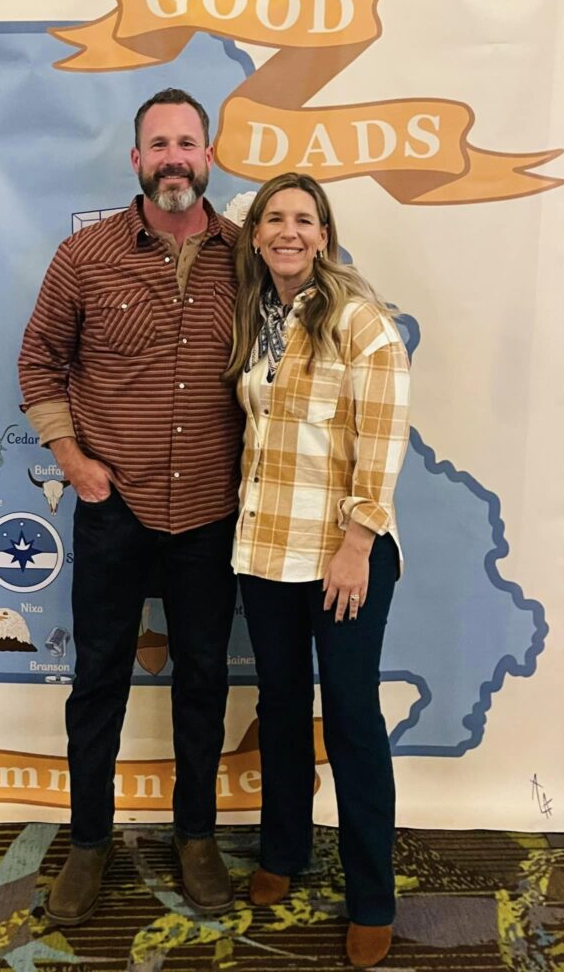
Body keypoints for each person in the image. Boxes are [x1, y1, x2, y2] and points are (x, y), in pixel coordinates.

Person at [18, 88, 244, 924]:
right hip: (114, 510)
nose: (174, 156)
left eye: (188, 141)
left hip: (213, 515)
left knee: (205, 682)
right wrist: (72, 460)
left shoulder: (248, 255)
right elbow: (39, 361)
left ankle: (196, 839)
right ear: (136, 160)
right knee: (99, 680)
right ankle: (86, 843)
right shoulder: (84, 256)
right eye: (159, 143)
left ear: (209, 157)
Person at [225, 173, 410, 968]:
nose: (288, 231)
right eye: (275, 219)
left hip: (344, 555)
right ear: (257, 236)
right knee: (280, 704)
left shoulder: (361, 324)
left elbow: (384, 439)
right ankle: (284, 851)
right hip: (265, 551)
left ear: (324, 236)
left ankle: (372, 894)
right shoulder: (251, 320)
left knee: (352, 720)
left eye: (304, 219)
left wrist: (358, 543)